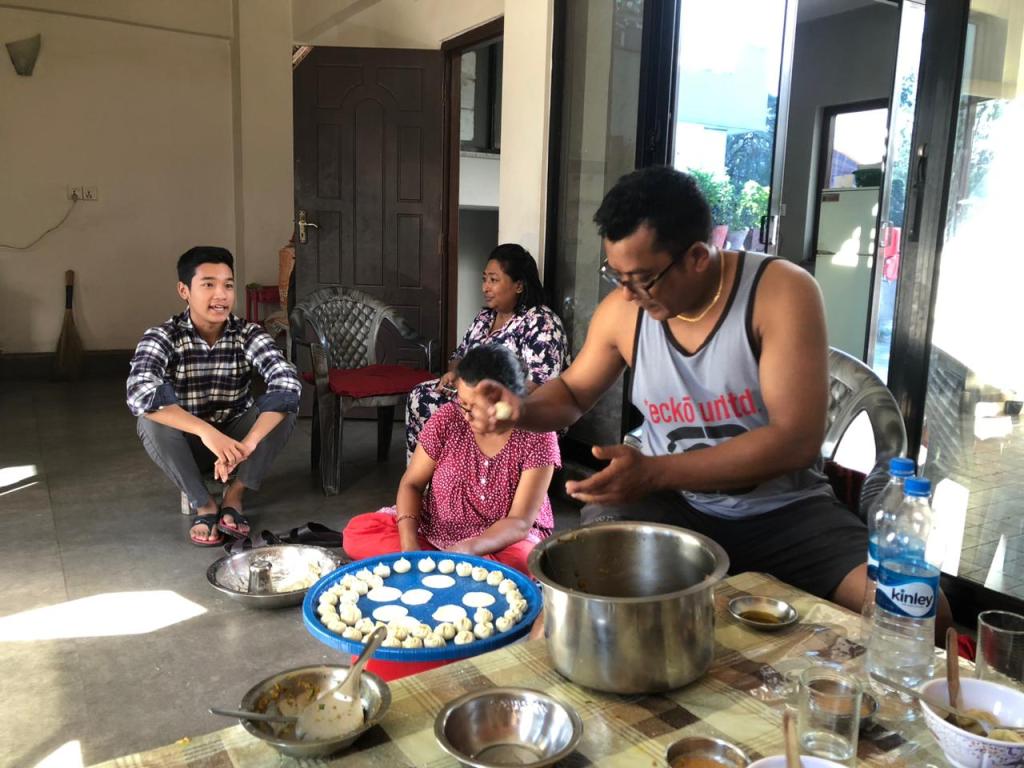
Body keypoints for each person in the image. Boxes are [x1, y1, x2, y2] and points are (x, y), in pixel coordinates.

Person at [465, 166, 951, 635]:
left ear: (698, 257)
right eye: (617, 275)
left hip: (785, 512)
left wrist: (654, 472)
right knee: (581, 597)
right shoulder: (623, 313)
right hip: (674, 507)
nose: (628, 295)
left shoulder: (780, 293)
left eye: (643, 279)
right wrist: (520, 409)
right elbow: (573, 392)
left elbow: (795, 441)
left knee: (922, 614)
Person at [127, 246, 301, 546]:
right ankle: (204, 504)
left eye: (228, 285)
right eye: (208, 284)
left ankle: (235, 495)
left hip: (238, 437)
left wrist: (250, 443)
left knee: (285, 407)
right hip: (189, 441)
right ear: (184, 290)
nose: (221, 295)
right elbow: (139, 391)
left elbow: (286, 382)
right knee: (150, 420)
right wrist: (207, 433)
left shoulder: (249, 334)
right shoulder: (162, 336)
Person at [344, 344, 560, 575]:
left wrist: (469, 548)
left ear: (503, 403)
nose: (465, 416)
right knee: (357, 534)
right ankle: (446, 567)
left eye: (474, 408)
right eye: (462, 404)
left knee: (522, 561)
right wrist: (410, 548)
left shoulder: (538, 435)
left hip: (499, 541)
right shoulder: (448, 419)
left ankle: (441, 566)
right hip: (435, 531)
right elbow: (412, 484)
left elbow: (519, 522)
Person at [404, 243, 568, 459]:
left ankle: (454, 470)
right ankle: (429, 472)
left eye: (493, 280)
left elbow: (540, 385)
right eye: (484, 279)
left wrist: (483, 397)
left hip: (514, 406)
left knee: (441, 409)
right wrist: (456, 375)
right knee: (420, 395)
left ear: (518, 285)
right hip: (471, 396)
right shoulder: (485, 317)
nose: (485, 287)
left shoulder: (541, 322)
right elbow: (458, 357)